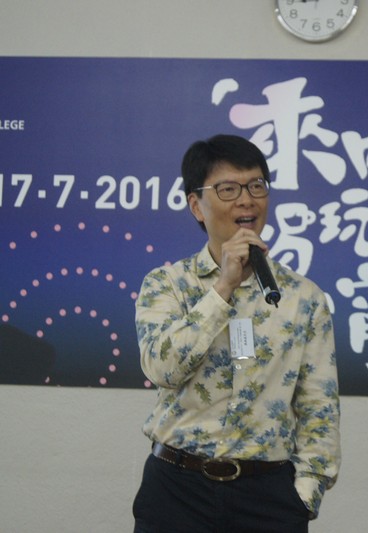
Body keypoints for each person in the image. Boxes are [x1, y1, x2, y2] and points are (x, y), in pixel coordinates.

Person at [132, 134, 341, 532]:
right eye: (228, 189)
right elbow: (163, 368)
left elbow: (320, 408)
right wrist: (221, 289)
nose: (246, 200)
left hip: (268, 497)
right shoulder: (166, 284)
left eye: (256, 186)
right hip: (177, 489)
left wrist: (305, 494)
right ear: (196, 205)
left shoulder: (304, 298)